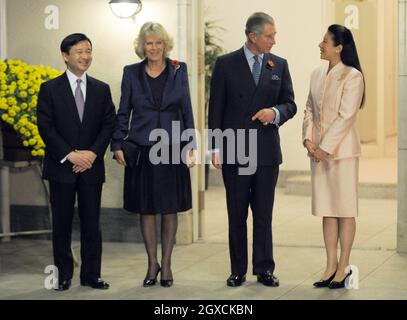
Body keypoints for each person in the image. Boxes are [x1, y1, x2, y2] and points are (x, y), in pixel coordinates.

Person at [208, 12, 297, 287]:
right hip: (234, 149)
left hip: (267, 152)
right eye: (269, 35)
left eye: (274, 35)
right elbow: (216, 109)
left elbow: (290, 104)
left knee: (263, 213)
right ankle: (238, 270)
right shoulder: (225, 64)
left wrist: (274, 112)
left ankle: (264, 268)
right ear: (253, 36)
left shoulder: (278, 65)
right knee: (236, 213)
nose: (274, 40)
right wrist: (215, 146)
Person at [111, 22, 196, 288]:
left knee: (170, 208)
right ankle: (152, 263)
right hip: (142, 148)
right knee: (146, 208)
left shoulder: (178, 69)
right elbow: (123, 111)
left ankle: (167, 263)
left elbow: (186, 108)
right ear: (142, 46)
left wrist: (190, 144)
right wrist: (117, 144)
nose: (154, 48)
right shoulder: (131, 73)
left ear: (165, 45)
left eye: (158, 42)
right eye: (149, 43)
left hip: (171, 148)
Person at [37, 33, 116, 291]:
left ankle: (91, 275)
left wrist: (92, 154)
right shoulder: (49, 89)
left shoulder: (101, 89)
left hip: (91, 168)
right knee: (61, 224)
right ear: (65, 56)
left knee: (92, 223)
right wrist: (70, 154)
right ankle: (63, 275)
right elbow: (46, 127)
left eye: (88, 51)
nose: (85, 56)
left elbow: (108, 125)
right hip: (62, 167)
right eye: (80, 52)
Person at [302, 25, 365, 289]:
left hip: (342, 154)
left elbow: (346, 116)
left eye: (325, 42)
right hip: (318, 153)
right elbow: (308, 108)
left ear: (339, 47)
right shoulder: (316, 74)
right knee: (328, 210)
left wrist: (325, 148)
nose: (320, 45)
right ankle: (330, 265)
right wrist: (308, 140)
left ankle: (344, 267)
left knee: (344, 209)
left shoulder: (353, 76)